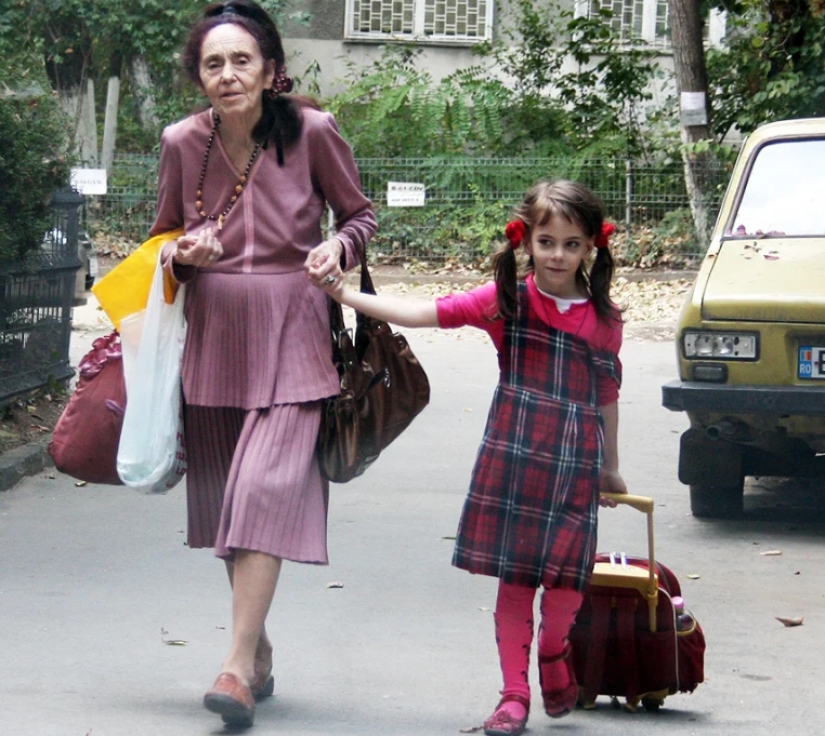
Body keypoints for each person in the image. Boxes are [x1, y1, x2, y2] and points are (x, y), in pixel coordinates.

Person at [308, 179, 626, 736]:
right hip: (514, 460)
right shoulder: (506, 301)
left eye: (571, 244)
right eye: (546, 242)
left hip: (575, 469)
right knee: (516, 581)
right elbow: (422, 312)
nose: (557, 255)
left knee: (568, 585)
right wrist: (346, 296)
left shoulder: (604, 320)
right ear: (525, 241)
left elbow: (607, 396)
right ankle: (514, 695)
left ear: (590, 248)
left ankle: (553, 651)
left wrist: (611, 466)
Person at [150, 1, 376, 727]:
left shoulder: (312, 131)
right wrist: (184, 255)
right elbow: (160, 240)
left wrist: (336, 247)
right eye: (213, 64)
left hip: (293, 330)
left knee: (264, 490)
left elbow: (360, 215)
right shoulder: (181, 142)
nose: (228, 75)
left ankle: (233, 666)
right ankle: (258, 650)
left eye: (241, 60)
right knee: (228, 504)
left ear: (270, 68)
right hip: (215, 336)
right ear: (199, 76)